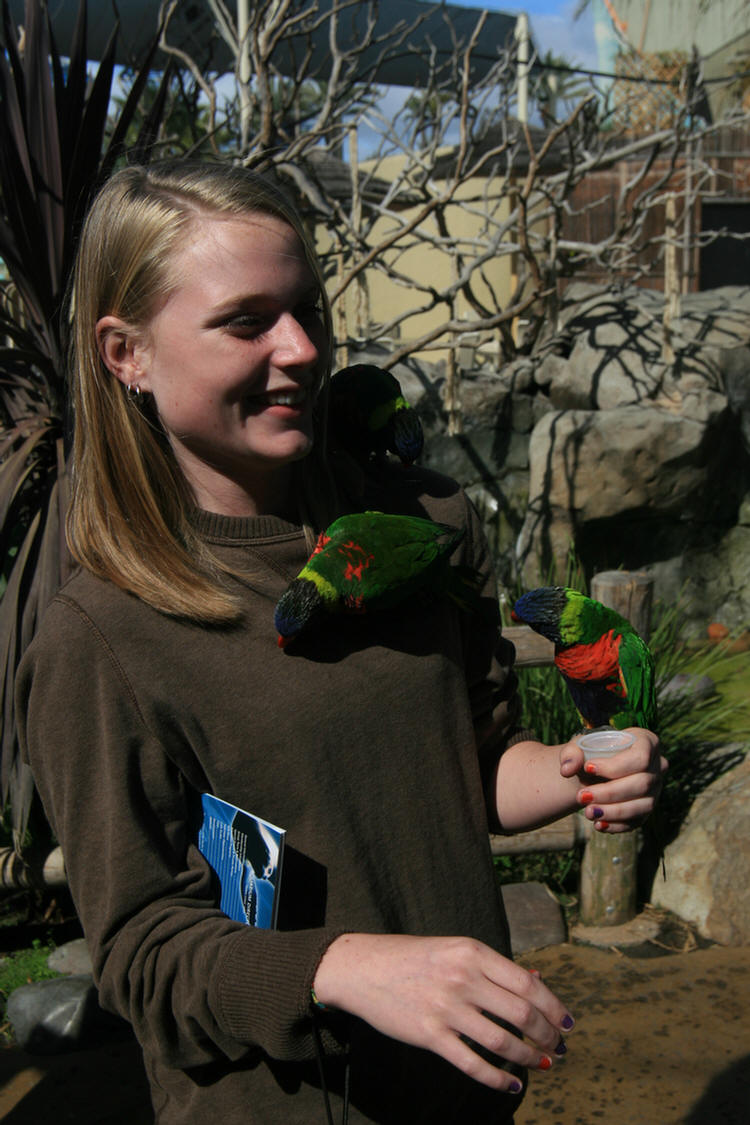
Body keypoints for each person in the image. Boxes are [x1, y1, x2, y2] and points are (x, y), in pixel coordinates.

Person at [15, 160, 666, 1125]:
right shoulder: (104, 638)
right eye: (246, 320)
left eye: (307, 306)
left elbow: (473, 761)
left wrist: (574, 772)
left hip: (465, 1085)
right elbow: (143, 952)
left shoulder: (420, 522)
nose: (304, 348)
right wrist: (341, 965)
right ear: (127, 353)